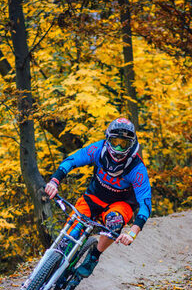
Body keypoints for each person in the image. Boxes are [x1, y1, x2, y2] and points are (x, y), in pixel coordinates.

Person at [44, 117, 152, 278]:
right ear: (108, 138)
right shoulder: (97, 149)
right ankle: (50, 265)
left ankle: (94, 255)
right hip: (93, 197)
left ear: (131, 145)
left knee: (114, 223)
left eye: (124, 144)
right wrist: (54, 181)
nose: (118, 148)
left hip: (120, 204)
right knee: (69, 236)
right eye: (115, 141)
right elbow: (72, 160)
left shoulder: (137, 169)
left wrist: (132, 233)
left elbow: (145, 204)